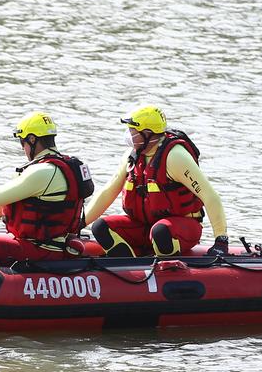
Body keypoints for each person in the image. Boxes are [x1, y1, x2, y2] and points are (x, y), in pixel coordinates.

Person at [0, 111, 94, 265]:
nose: (22, 148)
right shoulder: (66, 166)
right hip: (54, 247)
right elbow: (18, 208)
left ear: (32, 139)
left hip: (41, 251)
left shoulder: (42, 171)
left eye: (22, 142)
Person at [85, 104, 229, 257]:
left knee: (160, 232)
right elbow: (108, 191)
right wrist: (79, 224)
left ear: (147, 133)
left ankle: (167, 268)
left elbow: (209, 196)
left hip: (178, 229)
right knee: (100, 227)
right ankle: (129, 269)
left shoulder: (175, 157)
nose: (128, 134)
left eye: (133, 130)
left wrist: (220, 240)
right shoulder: (132, 156)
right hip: (144, 227)